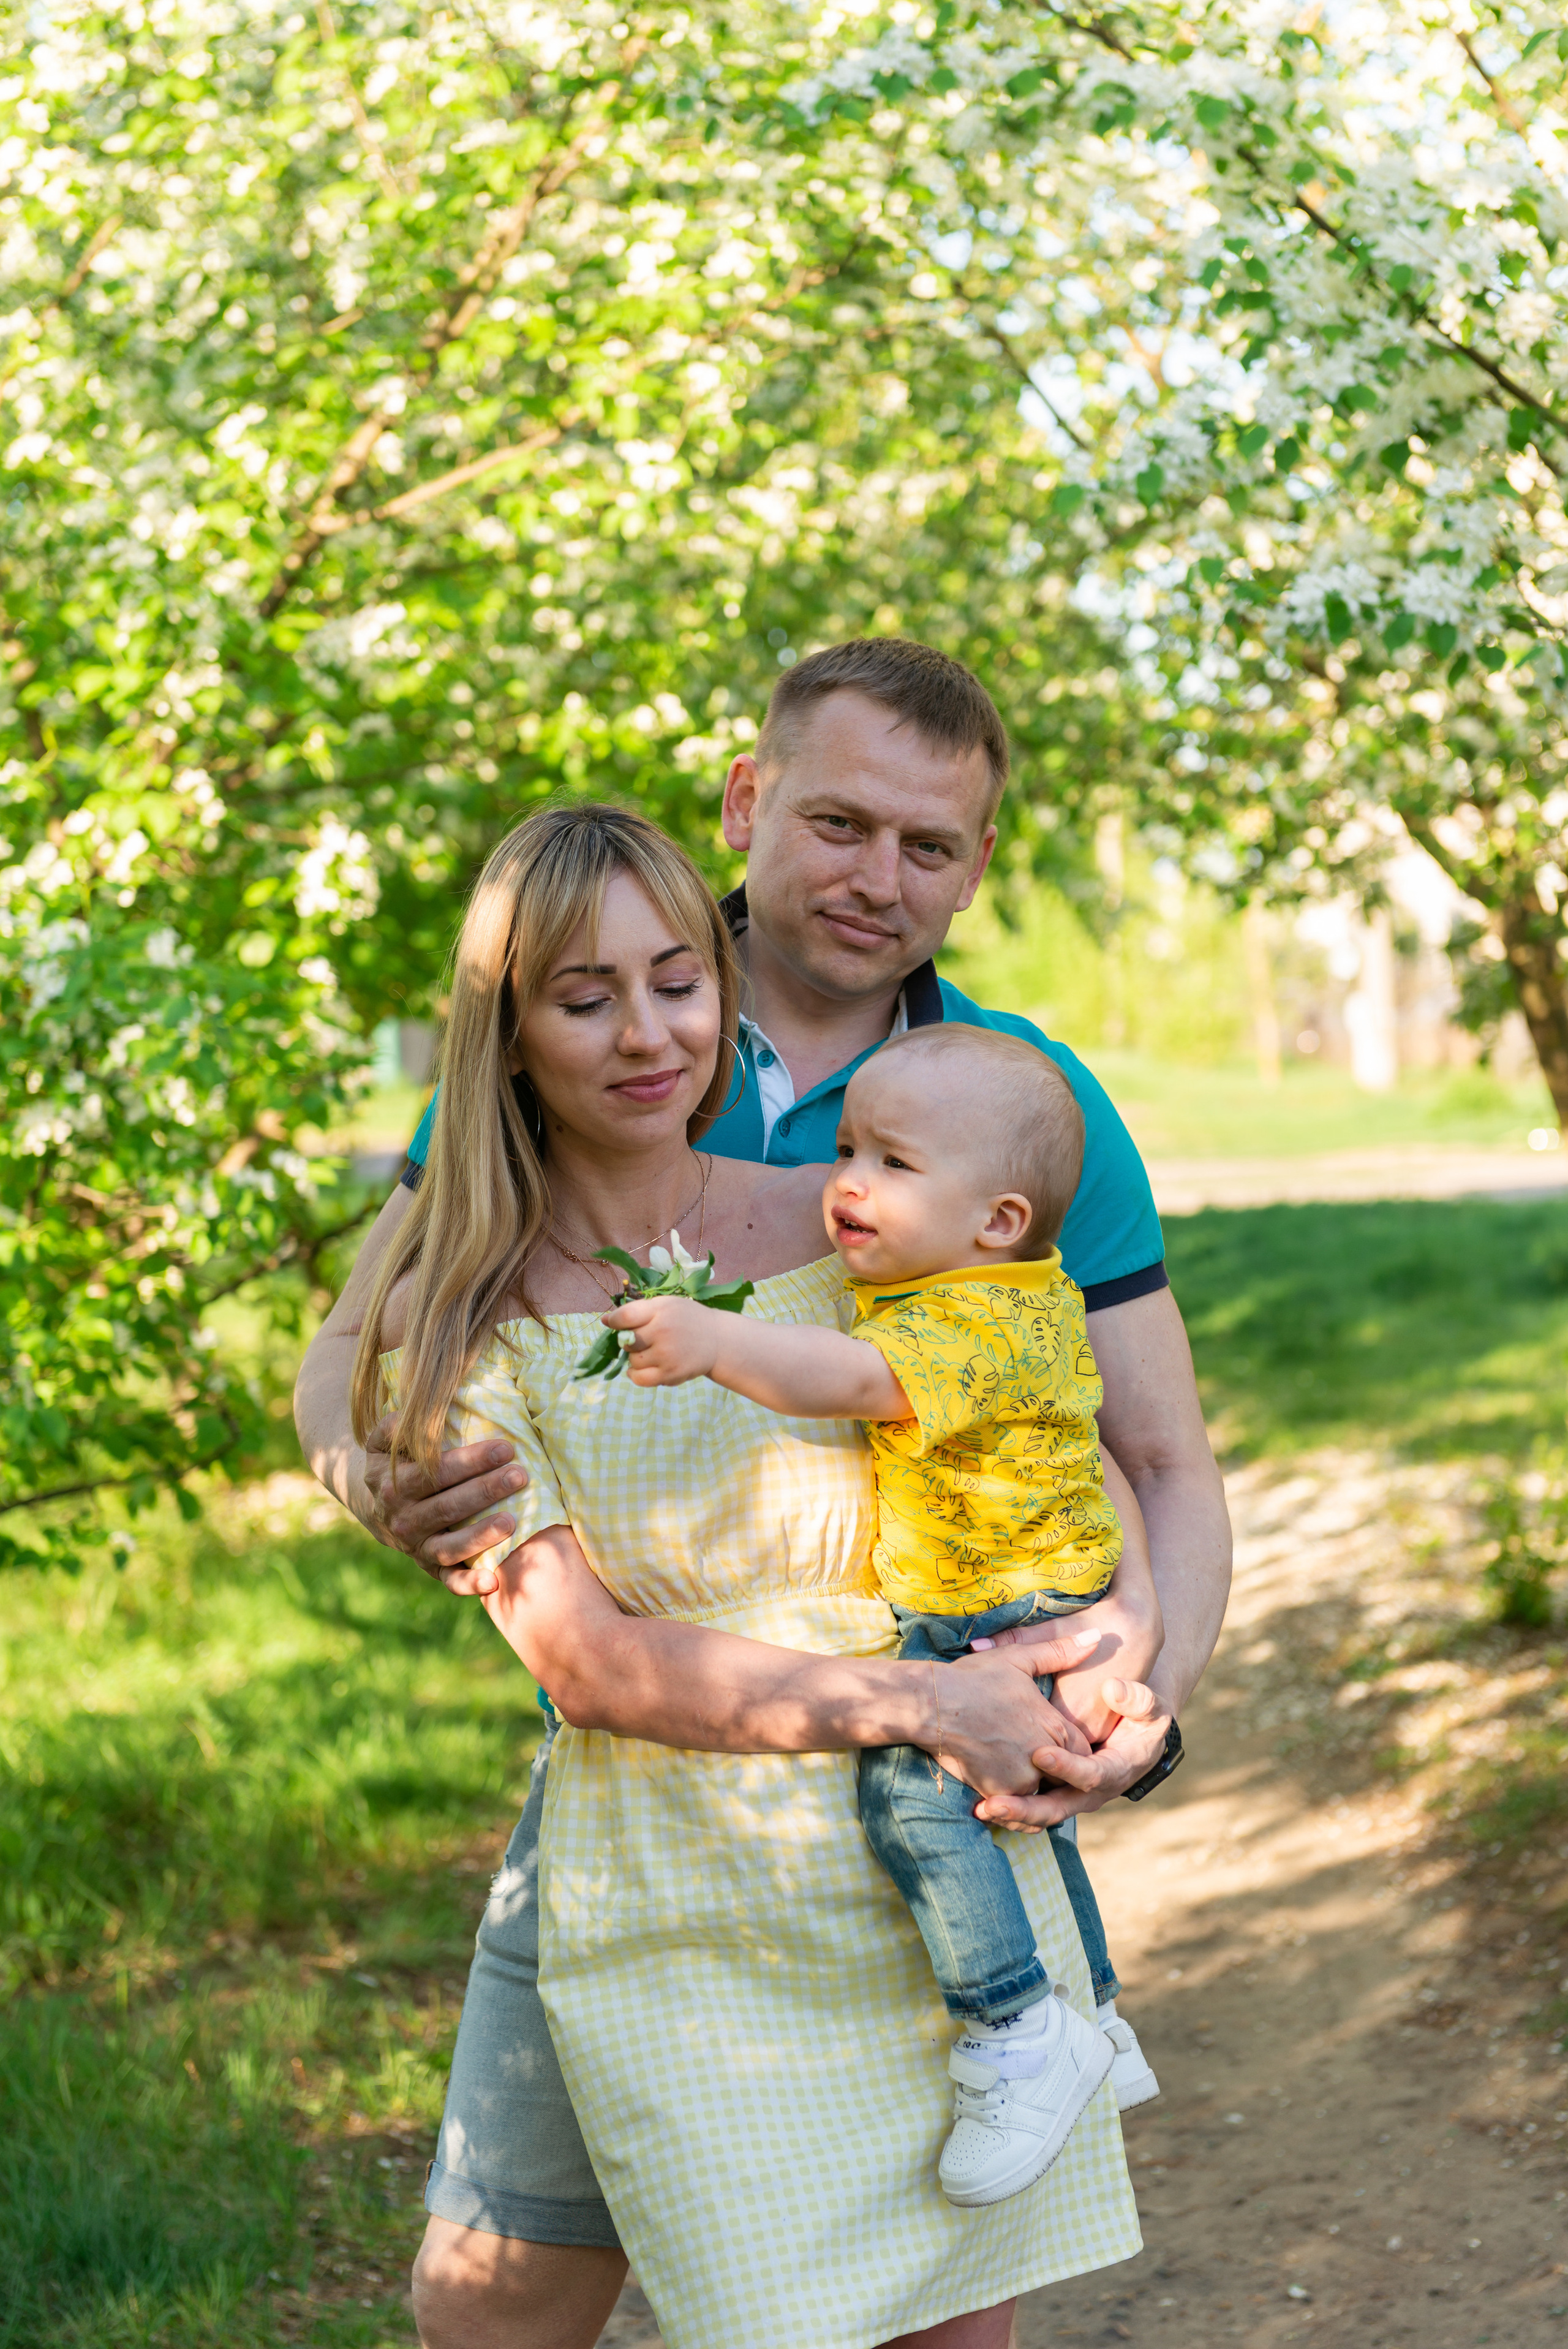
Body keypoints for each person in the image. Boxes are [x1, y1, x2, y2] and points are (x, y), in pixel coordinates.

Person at [294, 637, 1230, 2344]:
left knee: (931, 2303)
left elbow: (1113, 1441)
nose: (878, 878)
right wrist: (370, 1472)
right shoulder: (550, 1101)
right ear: (749, 802)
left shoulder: (987, 1117)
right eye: (840, 824)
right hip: (648, 1807)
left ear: (977, 863)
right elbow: (362, 1349)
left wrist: (1129, 1670)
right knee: (488, 2306)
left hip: (901, 1781)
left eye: (928, 845)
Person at [601, 1023, 1153, 2209]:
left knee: (913, 1797)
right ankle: (1096, 2017)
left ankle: (1015, 2024)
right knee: (1030, 1829)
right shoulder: (1015, 1288)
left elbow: (852, 1381)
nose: (846, 1182)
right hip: (1039, 1586)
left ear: (997, 1220)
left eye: (892, 1163)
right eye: (848, 1147)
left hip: (1000, 1609)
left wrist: (713, 1341)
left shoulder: (967, 1322)